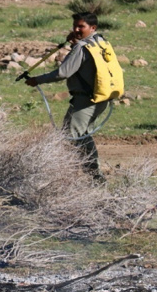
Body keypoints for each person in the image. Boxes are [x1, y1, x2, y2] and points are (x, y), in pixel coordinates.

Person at [24, 12, 109, 180]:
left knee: (71, 135)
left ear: (93, 28)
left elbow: (63, 72)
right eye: (75, 26)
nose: (76, 29)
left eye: (81, 27)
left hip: (86, 101)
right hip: (100, 98)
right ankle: (92, 175)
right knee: (81, 135)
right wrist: (75, 44)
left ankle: (86, 178)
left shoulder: (82, 47)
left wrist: (37, 80)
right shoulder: (100, 42)